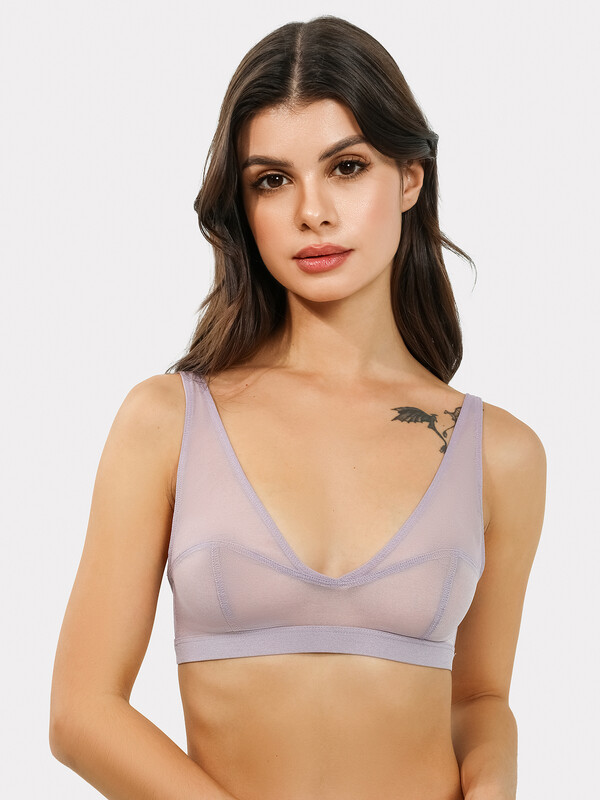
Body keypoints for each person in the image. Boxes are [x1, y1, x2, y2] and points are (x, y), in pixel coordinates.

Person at [49, 14, 546, 800]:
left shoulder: (498, 451)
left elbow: (479, 698)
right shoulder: (168, 421)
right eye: (272, 180)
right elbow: (81, 714)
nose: (312, 211)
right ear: (244, 204)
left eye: (346, 167)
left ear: (410, 178)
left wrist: (494, 780)